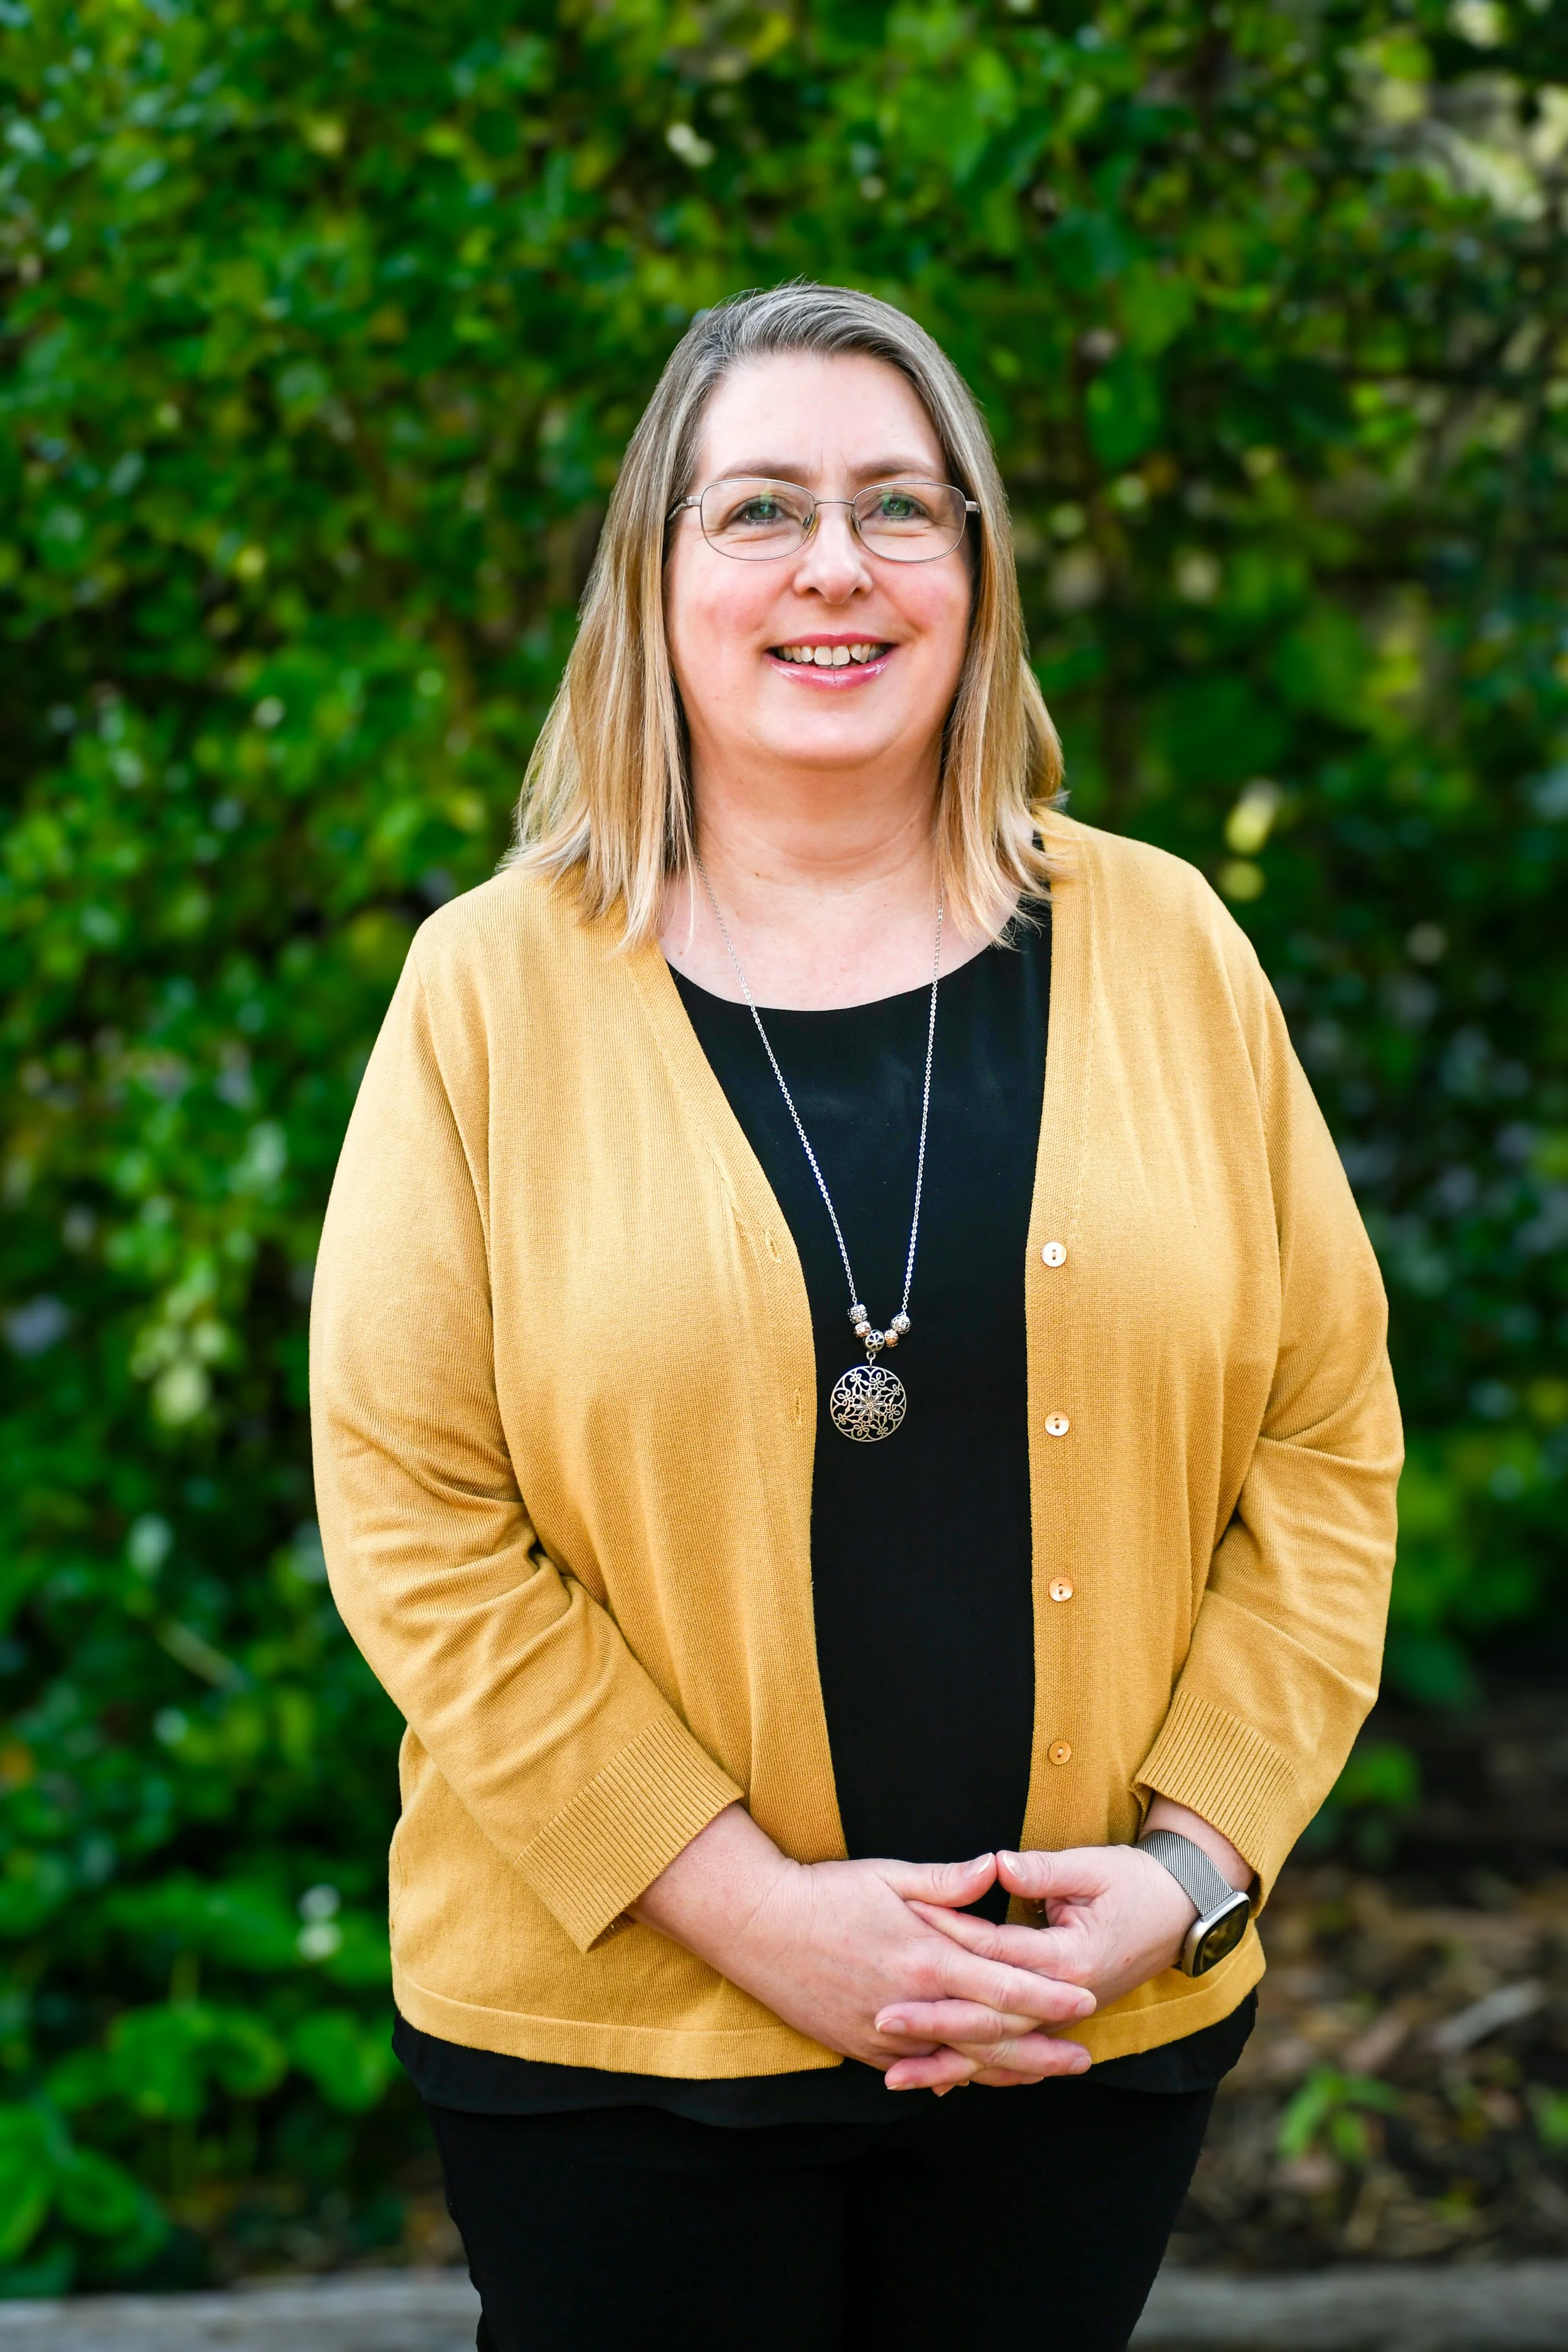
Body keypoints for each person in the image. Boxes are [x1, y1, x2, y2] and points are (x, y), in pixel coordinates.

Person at [310, 282, 1402, 2352]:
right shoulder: (491, 990)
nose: (835, 565)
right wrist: (757, 1919)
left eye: (901, 506)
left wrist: (1187, 1876)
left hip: (1068, 2029)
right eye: (759, 509)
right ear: (656, 574)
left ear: (978, 574)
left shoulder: (1166, 945)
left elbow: (1326, 1441)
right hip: (617, 2045)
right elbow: (414, 1514)